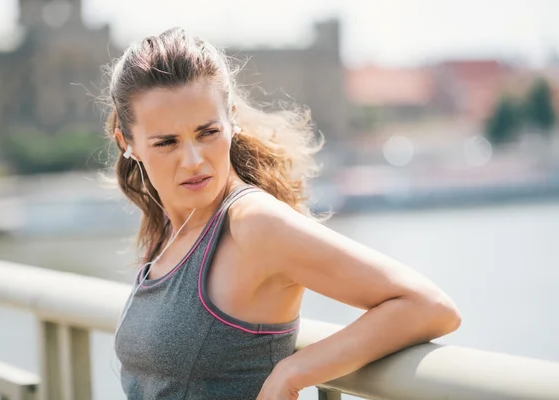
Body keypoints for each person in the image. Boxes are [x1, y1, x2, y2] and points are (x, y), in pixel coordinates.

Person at [108, 27, 461, 400]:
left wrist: (294, 371)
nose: (194, 161)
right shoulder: (170, 227)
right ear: (127, 143)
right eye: (166, 143)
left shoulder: (253, 224)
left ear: (231, 119)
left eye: (208, 132)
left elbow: (430, 307)